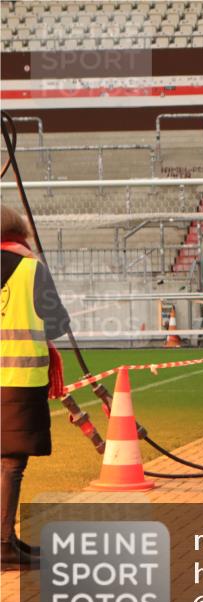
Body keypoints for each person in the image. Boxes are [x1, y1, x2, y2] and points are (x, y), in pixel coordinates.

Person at [1, 205, 70, 571]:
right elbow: (57, 323)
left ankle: (6, 538)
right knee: (11, 463)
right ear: (20, 232)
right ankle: (3, 544)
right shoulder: (30, 268)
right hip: (18, 378)